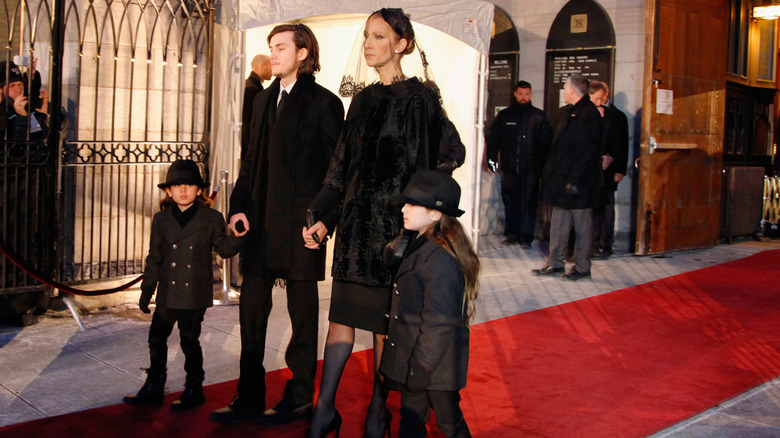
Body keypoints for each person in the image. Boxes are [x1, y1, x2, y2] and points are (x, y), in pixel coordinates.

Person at [302, 8, 465, 438]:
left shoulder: (421, 99)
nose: (369, 44)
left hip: (396, 234)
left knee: (383, 328)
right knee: (341, 319)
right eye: (367, 37)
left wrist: (420, 216)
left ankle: (379, 412)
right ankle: (324, 411)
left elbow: (448, 154)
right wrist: (323, 219)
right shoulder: (362, 100)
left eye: (379, 36)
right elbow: (341, 169)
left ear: (402, 44)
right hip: (356, 232)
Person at [209, 24, 344, 425]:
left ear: (303, 53)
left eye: (281, 47)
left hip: (302, 231)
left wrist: (323, 223)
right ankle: (249, 396)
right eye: (271, 48)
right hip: (260, 230)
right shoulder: (263, 99)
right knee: (251, 317)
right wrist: (237, 208)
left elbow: (337, 173)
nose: (273, 54)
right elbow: (249, 162)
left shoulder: (325, 103)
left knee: (303, 322)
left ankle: (300, 398)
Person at [123, 159, 243, 410]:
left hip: (194, 292)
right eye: (177, 185)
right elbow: (154, 257)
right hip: (169, 291)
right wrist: (147, 291)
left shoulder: (211, 218)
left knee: (189, 340)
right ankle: (154, 385)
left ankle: (194, 388)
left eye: (189, 185)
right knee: (156, 338)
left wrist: (239, 236)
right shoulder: (161, 220)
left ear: (199, 190)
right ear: (169, 191)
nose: (183, 190)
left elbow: (224, 249)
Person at [380, 169, 479, 438]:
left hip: (434, 364)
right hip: (417, 359)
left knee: (448, 424)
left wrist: (421, 369)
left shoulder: (441, 259)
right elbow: (389, 259)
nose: (404, 209)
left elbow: (439, 324)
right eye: (405, 203)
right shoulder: (419, 241)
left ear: (435, 214)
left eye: (413, 204)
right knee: (411, 422)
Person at [532, 74, 602, 281]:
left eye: (565, 87)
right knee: (559, 223)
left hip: (579, 182)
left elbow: (586, 152)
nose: (563, 91)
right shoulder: (568, 113)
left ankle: (582, 267)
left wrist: (575, 181)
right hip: (562, 181)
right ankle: (555, 263)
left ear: (572, 90)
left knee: (582, 226)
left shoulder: (588, 115)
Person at [486, 80, 552, 248]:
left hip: (531, 168)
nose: (524, 97)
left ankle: (526, 237)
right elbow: (494, 140)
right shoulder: (505, 115)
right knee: (510, 201)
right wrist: (491, 160)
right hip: (509, 168)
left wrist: (543, 168)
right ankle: (512, 235)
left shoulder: (539, 117)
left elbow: (546, 144)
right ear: (515, 94)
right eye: (521, 94)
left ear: (531, 95)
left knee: (529, 203)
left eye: (527, 94)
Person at [588, 80, 628, 259]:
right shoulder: (588, 114)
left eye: (602, 98)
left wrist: (620, 169)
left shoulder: (617, 116)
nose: (600, 101)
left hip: (610, 170)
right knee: (593, 208)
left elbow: (622, 145)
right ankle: (592, 244)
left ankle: (606, 244)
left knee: (607, 207)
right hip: (592, 168)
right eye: (596, 98)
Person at [242, 54, 272, 159]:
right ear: (261, 66)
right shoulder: (252, 89)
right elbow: (248, 124)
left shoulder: (251, 86)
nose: (272, 70)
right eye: (270, 66)